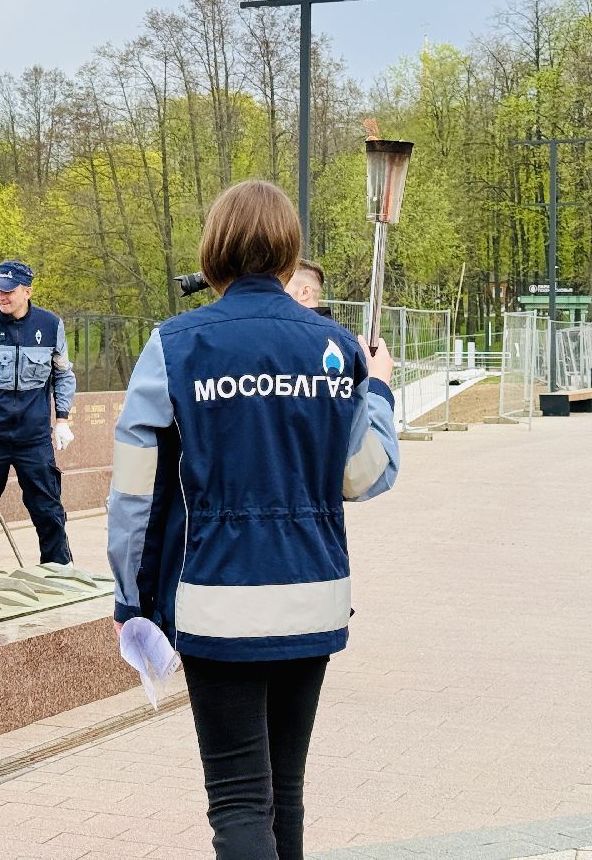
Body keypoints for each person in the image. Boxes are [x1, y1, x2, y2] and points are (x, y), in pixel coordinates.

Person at [106, 180, 400, 860]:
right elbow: (366, 474)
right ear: (288, 251)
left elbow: (132, 493)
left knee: (239, 799)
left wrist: (130, 596)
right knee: (285, 794)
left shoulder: (175, 345)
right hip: (313, 598)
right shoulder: (334, 347)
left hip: (217, 604)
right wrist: (377, 387)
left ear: (215, 250)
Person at [0, 261, 76, 566]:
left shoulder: (50, 325)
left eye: (8, 291)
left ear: (27, 291)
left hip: (33, 439)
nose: (0, 296)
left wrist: (62, 419)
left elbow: (63, 375)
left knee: (48, 510)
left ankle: (59, 571)